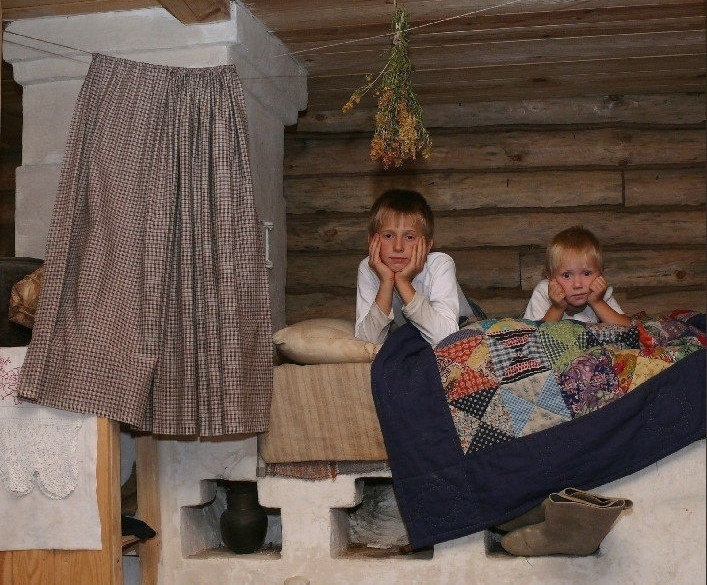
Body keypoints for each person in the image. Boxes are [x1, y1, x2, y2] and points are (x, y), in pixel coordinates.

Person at [355, 189, 475, 345]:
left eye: (409, 237)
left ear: (428, 244)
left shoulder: (440, 264)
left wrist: (403, 282)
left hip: (462, 320)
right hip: (414, 334)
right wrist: (386, 282)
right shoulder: (368, 268)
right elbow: (367, 342)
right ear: (372, 240)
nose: (398, 247)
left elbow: (446, 338)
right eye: (389, 235)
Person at [523, 225, 631, 325]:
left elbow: (628, 328)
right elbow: (535, 335)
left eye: (587, 273)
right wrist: (557, 308)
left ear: (600, 273)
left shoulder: (600, 293)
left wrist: (597, 302)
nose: (578, 285)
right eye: (566, 275)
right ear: (550, 277)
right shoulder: (543, 292)